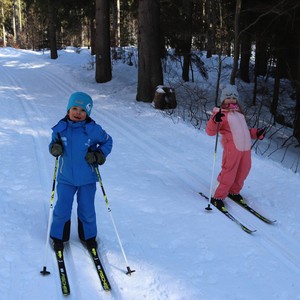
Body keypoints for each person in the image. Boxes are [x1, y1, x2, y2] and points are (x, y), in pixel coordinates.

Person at [49, 91, 113, 251]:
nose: (78, 113)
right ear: (68, 110)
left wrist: (98, 154)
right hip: (65, 177)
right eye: (75, 108)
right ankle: (58, 237)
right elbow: (53, 144)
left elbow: (108, 141)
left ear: (88, 112)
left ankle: (88, 237)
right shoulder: (60, 128)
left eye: (83, 110)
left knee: (87, 208)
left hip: (87, 178)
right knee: (62, 208)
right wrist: (54, 148)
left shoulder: (93, 130)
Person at [205, 84, 265, 211]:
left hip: (245, 150)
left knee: (243, 171)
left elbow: (245, 132)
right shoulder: (221, 114)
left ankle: (233, 191)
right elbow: (210, 131)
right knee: (229, 172)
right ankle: (218, 196)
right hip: (232, 149)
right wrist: (214, 120)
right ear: (223, 100)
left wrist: (256, 133)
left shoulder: (239, 114)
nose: (231, 100)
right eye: (228, 97)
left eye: (233, 97)